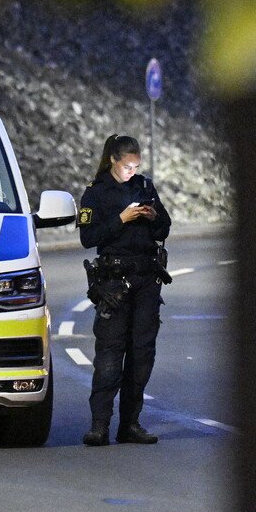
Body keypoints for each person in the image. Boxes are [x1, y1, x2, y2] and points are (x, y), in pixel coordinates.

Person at [78, 133, 171, 446]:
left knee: (142, 353)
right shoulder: (96, 193)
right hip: (114, 281)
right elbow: (88, 238)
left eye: (136, 165)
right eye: (127, 165)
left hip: (146, 277)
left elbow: (164, 227)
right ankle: (99, 426)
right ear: (113, 161)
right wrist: (121, 218)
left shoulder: (144, 187)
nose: (132, 170)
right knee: (110, 352)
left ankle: (130, 423)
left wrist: (153, 216)